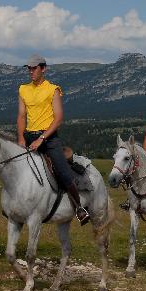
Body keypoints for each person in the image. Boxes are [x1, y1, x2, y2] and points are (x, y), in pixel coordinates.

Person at [17, 54, 89, 225]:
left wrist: (42, 138)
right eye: (29, 68)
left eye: (34, 68)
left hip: (48, 138)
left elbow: (58, 118)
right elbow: (21, 116)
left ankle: (79, 207)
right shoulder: (23, 89)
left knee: (63, 172)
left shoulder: (53, 89)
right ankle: (13, 206)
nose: (31, 71)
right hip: (28, 136)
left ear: (43, 68)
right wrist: (20, 138)